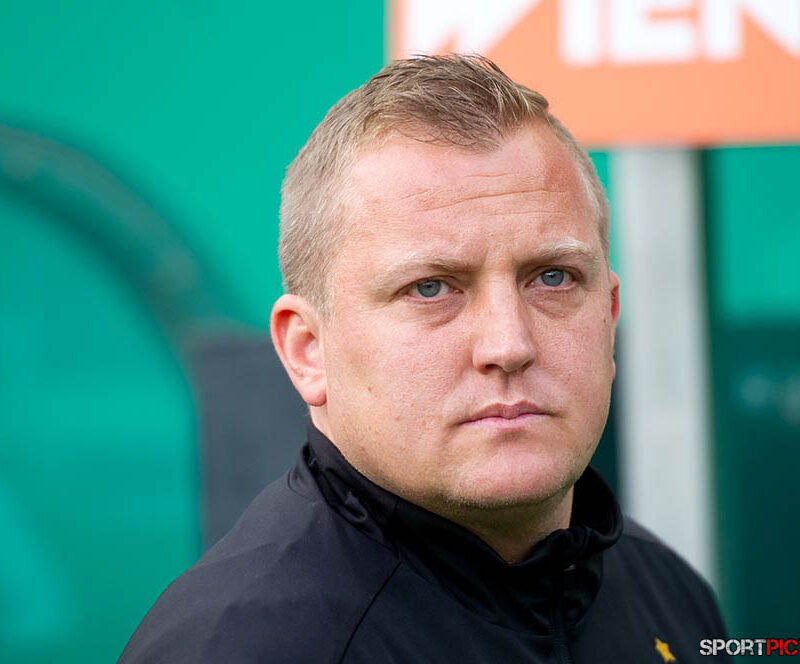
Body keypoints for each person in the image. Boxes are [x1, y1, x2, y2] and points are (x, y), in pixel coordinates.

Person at [119, 54, 730, 663]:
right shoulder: (239, 649)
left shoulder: (667, 595)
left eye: (552, 277)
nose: (509, 345)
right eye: (431, 288)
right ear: (308, 351)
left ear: (610, 318)